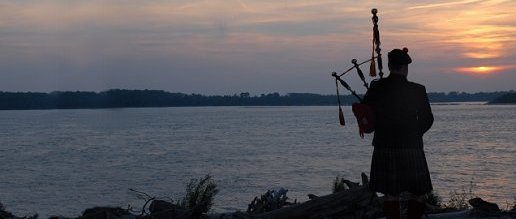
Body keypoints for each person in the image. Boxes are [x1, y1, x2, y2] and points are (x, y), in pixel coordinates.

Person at [362, 48, 434, 219]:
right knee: (418, 193)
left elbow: (366, 117)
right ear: (405, 67)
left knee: (390, 194)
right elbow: (428, 119)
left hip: (384, 145)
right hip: (412, 146)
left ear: (389, 65)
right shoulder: (417, 90)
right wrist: (414, 133)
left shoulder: (376, 87)